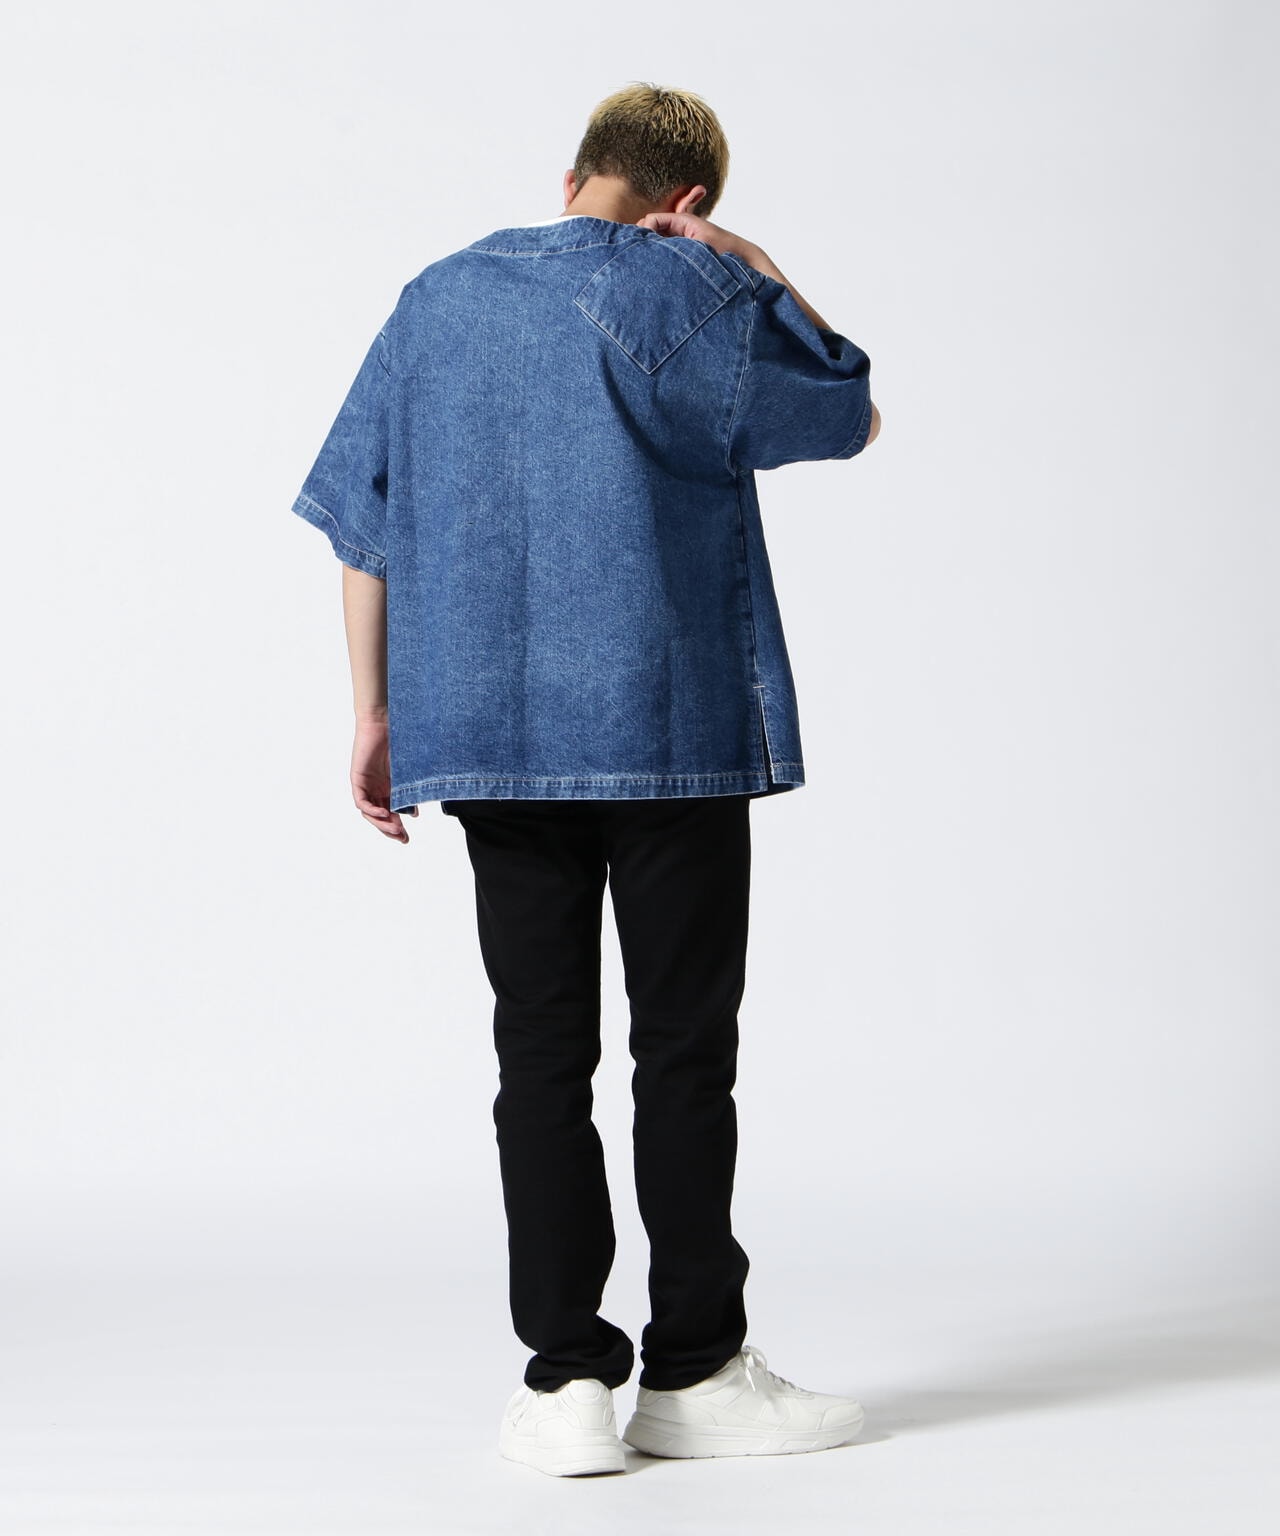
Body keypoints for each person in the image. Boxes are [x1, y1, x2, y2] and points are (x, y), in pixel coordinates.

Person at [290, 82, 881, 1478]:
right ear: (690, 203)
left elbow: (364, 524)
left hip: (490, 736)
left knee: (540, 1056)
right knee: (685, 1051)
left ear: (573, 177)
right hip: (671, 730)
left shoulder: (435, 300)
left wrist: (377, 712)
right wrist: (753, 264)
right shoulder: (695, 288)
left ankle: (563, 1382)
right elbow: (848, 410)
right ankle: (695, 1373)